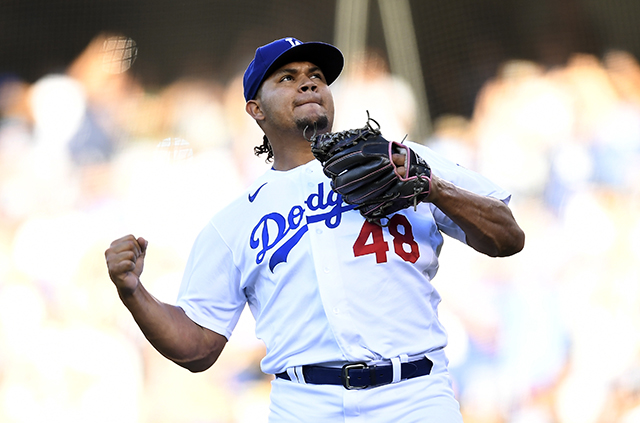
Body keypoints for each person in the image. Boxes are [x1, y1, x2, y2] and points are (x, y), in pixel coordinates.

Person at [105, 37, 525, 422]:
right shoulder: (234, 222)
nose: (308, 85)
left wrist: (433, 188)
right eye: (288, 78)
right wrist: (133, 292)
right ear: (255, 108)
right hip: (305, 404)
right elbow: (197, 347)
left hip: (414, 396)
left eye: (317, 77)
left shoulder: (400, 159)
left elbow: (508, 237)